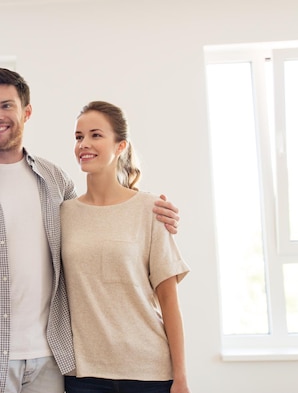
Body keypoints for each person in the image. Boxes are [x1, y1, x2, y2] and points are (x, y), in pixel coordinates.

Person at [0, 68, 181, 393]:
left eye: (6, 105)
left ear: (26, 112)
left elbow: (98, 219)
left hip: (52, 363)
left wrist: (155, 212)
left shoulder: (55, 181)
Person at [61, 101, 191, 393]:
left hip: (149, 371)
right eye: (79, 137)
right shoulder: (63, 214)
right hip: (84, 374)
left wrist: (181, 376)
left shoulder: (150, 209)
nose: (84, 144)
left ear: (120, 146)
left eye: (96, 135)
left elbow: (169, 300)